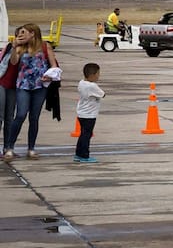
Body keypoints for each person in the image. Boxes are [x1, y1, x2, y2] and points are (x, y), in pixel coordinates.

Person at [2, 23, 60, 161]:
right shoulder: (20, 48)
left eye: (23, 32)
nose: (20, 35)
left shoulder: (45, 46)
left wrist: (50, 74)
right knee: (21, 114)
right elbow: (14, 63)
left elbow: (54, 65)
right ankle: (9, 147)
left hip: (40, 85)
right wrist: (15, 46)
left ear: (32, 33)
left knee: (34, 117)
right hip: (23, 85)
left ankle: (31, 148)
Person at [74, 63, 104, 163]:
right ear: (92, 75)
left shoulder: (81, 83)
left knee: (83, 134)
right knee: (87, 135)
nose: (98, 76)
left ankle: (78, 154)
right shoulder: (92, 86)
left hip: (81, 113)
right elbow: (102, 94)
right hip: (89, 115)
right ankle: (84, 155)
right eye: (98, 74)